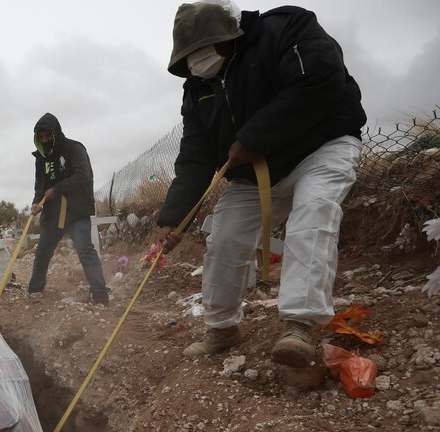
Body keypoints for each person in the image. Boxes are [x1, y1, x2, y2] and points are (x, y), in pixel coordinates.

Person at [156, 2, 366, 387]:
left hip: (319, 147)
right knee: (224, 236)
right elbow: (196, 156)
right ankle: (222, 328)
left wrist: (253, 138)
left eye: (207, 50)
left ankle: (299, 326)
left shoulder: (286, 29)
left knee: (313, 213)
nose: (199, 63)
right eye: (191, 58)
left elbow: (319, 82)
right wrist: (174, 218)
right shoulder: (197, 89)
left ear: (230, 37)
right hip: (255, 171)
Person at [28, 113, 109, 306]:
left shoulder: (74, 149)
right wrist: (37, 201)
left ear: (56, 133)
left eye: (49, 136)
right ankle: (35, 291)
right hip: (53, 214)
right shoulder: (41, 157)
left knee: (85, 249)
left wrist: (57, 189)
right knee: (42, 252)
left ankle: (99, 294)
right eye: (42, 137)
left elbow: (83, 175)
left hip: (76, 211)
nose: (46, 140)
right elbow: (40, 183)